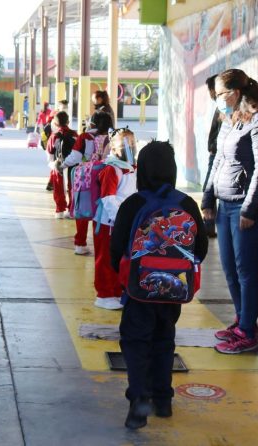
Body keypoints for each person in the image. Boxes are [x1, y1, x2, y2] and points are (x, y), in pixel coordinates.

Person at [110, 141, 208, 429]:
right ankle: (163, 400)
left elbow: (116, 251)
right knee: (164, 340)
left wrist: (128, 279)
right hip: (174, 289)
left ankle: (139, 400)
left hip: (139, 290)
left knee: (135, 341)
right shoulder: (186, 203)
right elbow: (200, 249)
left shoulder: (134, 203)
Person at [201, 68, 258, 354]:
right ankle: (243, 321)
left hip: (249, 207)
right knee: (230, 269)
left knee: (246, 270)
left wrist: (250, 209)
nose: (218, 100)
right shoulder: (229, 118)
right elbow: (218, 161)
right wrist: (208, 198)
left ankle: (247, 332)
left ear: (235, 92)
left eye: (220, 94)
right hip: (226, 204)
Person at [90, 128, 137, 310]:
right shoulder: (112, 168)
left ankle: (117, 291)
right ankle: (105, 294)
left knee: (120, 258)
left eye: (133, 144)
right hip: (108, 223)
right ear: (114, 147)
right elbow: (108, 198)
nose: (130, 147)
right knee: (106, 258)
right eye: (125, 144)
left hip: (123, 223)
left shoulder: (131, 167)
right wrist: (120, 220)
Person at [60, 112, 112, 255]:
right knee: (103, 210)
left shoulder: (85, 137)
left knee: (82, 209)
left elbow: (75, 157)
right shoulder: (113, 138)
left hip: (85, 176)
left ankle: (80, 244)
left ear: (93, 123)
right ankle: (102, 246)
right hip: (108, 175)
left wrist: (63, 164)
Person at [47, 111, 78, 219]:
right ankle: (71, 210)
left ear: (55, 124)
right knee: (72, 187)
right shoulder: (74, 134)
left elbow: (50, 154)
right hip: (73, 165)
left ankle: (60, 210)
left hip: (58, 165)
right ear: (68, 121)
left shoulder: (54, 136)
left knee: (59, 187)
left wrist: (53, 165)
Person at [203, 74, 221, 237]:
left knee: (209, 188)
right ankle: (209, 226)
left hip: (217, 155)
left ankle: (209, 225)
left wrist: (214, 148)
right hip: (214, 153)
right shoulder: (220, 106)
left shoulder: (224, 108)